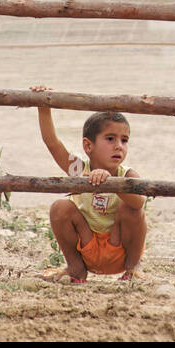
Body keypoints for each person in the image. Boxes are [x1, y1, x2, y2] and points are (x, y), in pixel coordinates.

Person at [38, 106, 146, 283]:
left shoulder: (127, 175)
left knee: (131, 208)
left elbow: (138, 204)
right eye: (110, 139)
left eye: (124, 140)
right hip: (87, 247)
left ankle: (133, 269)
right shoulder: (79, 170)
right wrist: (43, 108)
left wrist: (111, 183)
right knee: (60, 207)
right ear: (88, 145)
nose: (119, 146)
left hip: (119, 250)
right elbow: (52, 143)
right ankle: (76, 269)